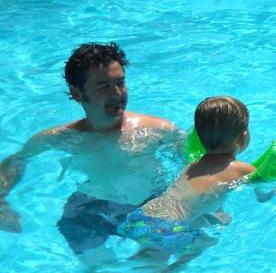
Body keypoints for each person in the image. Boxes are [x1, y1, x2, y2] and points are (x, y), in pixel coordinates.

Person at [0, 43, 177, 252]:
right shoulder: (60, 137)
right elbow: (18, 159)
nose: (117, 93)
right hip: (94, 206)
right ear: (77, 93)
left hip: (151, 206)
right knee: (89, 257)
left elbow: (196, 160)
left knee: (167, 258)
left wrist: (205, 199)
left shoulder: (158, 130)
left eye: (120, 83)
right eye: (104, 86)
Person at [117, 96, 258, 273]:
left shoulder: (192, 165)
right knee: (204, 243)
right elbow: (264, 193)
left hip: (143, 216)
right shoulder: (242, 169)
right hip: (168, 228)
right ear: (244, 136)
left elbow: (202, 196)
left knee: (148, 255)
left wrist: (217, 213)